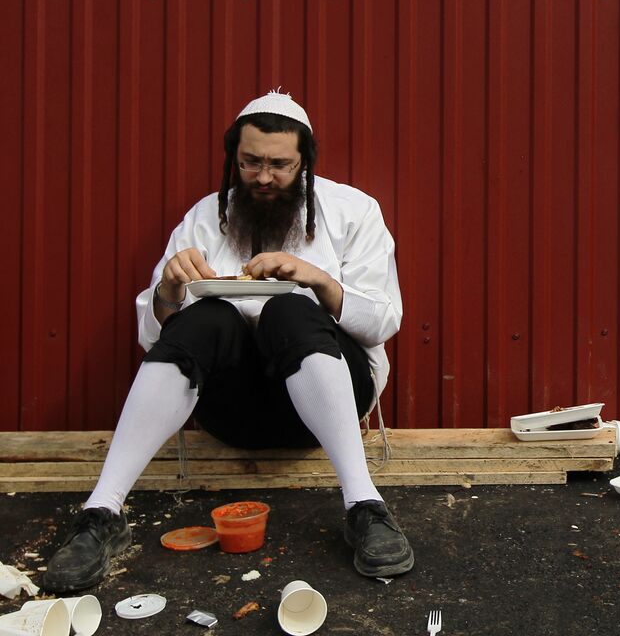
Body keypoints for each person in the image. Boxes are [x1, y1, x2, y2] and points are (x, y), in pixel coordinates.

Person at [43, 91, 413, 593]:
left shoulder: (354, 211)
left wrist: (318, 281)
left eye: (279, 165)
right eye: (250, 163)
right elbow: (155, 338)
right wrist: (170, 290)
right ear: (233, 159)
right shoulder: (204, 217)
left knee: (290, 307)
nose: (263, 177)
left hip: (333, 408)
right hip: (232, 414)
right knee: (205, 316)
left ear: (305, 161)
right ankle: (102, 513)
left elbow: (383, 322)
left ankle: (364, 505)